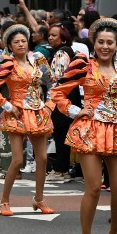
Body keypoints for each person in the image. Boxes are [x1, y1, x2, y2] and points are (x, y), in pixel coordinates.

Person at [51, 18, 117, 234]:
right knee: (92, 187)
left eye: (110, 42)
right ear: (94, 43)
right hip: (89, 130)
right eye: (100, 42)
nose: (105, 46)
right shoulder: (83, 65)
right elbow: (57, 93)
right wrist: (76, 110)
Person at [0, 24, 55, 215]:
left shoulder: (38, 61)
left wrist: (49, 105)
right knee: (17, 161)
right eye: (16, 42)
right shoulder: (8, 64)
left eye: (24, 40)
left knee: (42, 158)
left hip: (38, 112)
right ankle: (4, 200)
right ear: (10, 45)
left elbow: (54, 83)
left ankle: (39, 199)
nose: (21, 44)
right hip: (16, 113)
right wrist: (7, 105)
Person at [46, 20, 78, 182]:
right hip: (69, 97)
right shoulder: (69, 51)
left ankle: (60, 170)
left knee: (60, 134)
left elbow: (56, 79)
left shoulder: (60, 53)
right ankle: (63, 168)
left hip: (61, 98)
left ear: (63, 38)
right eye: (49, 35)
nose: (50, 38)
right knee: (63, 134)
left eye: (54, 35)